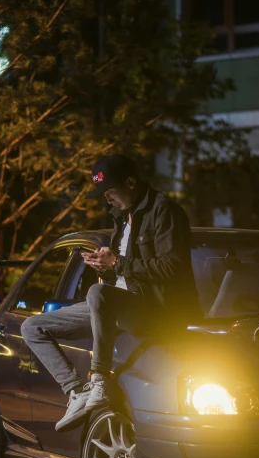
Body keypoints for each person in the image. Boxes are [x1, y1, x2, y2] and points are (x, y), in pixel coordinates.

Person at [21, 153, 200, 431]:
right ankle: (77, 391)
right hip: (118, 304)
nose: (107, 200)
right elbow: (121, 273)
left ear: (130, 182)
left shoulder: (164, 210)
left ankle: (99, 381)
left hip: (154, 310)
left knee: (97, 293)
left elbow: (172, 268)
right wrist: (103, 265)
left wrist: (117, 262)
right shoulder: (120, 215)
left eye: (110, 192)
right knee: (32, 327)